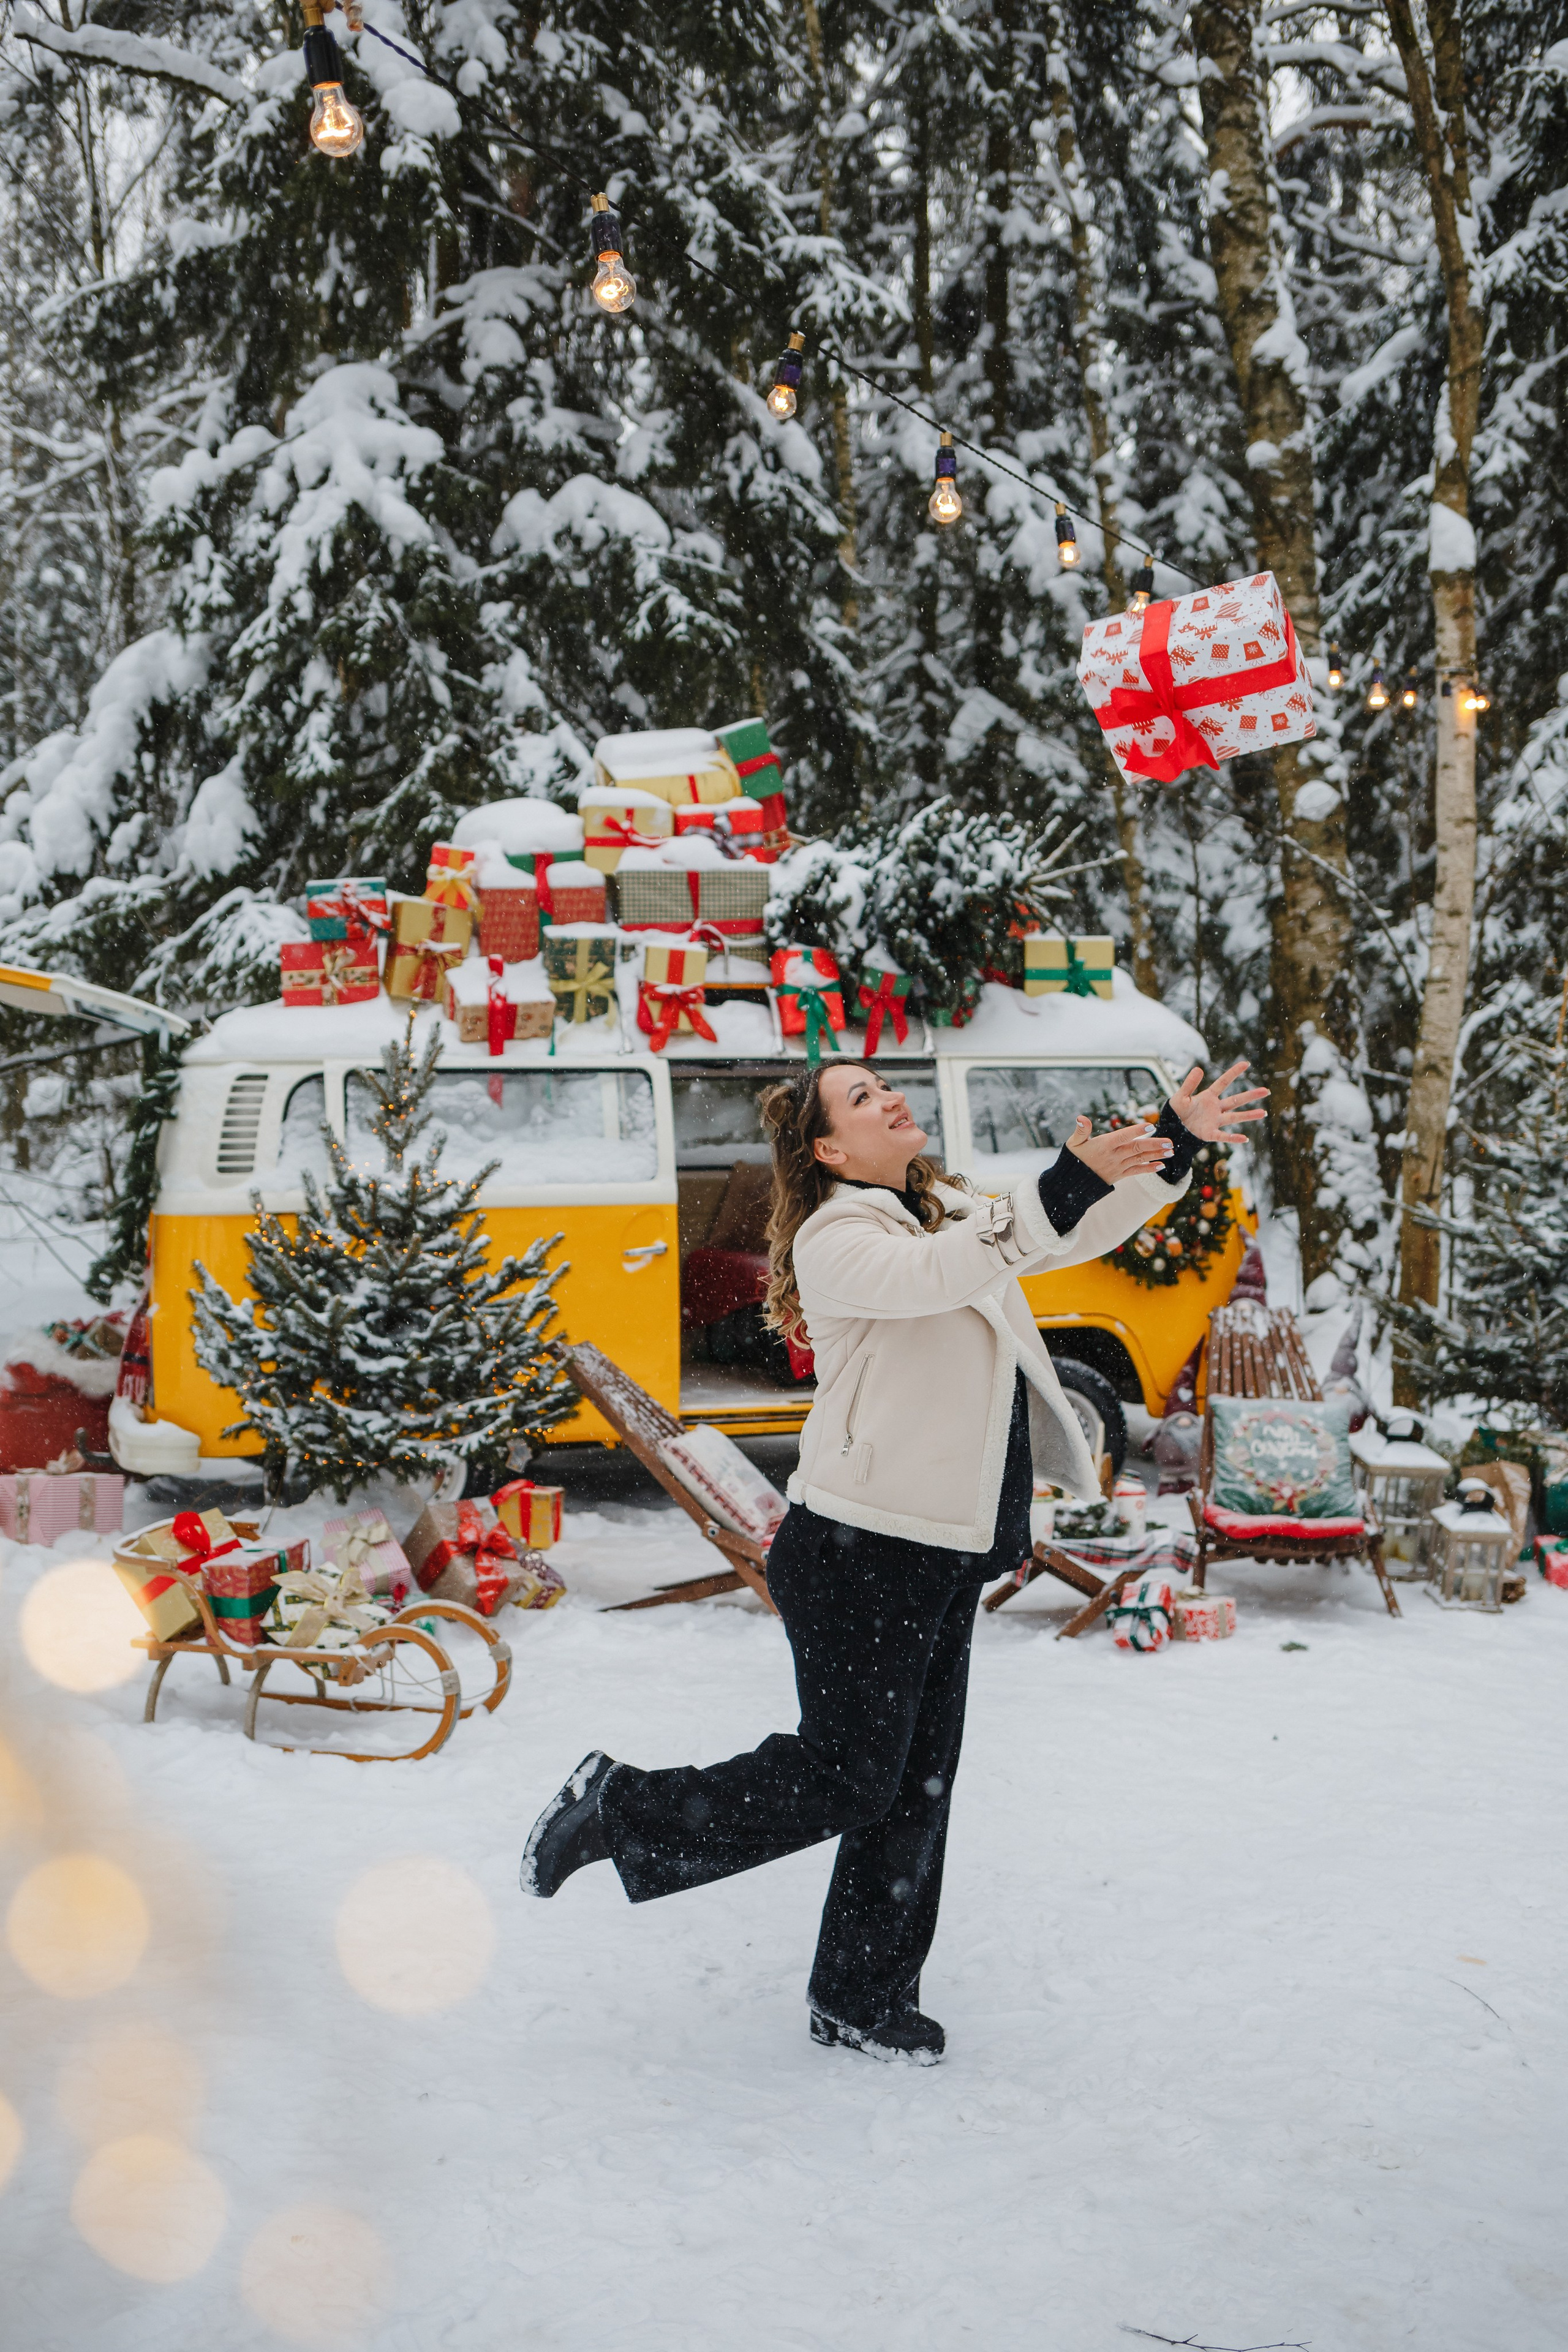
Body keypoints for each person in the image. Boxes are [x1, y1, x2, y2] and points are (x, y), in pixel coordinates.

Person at [522, 1058, 1267, 2062]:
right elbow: (950, 1272)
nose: (889, 1099)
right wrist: (1062, 1180)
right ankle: (620, 1806)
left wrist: (1168, 1138)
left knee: (917, 1785)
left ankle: (861, 1996)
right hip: (858, 1553)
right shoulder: (840, 1236)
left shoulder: (943, 1204)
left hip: (945, 1548)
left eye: (885, 1085)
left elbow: (1066, 1230)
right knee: (845, 1780)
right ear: (829, 1148)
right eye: (862, 1098)